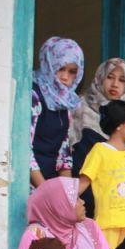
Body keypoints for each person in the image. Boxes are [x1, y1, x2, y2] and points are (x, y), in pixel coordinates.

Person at [70, 58, 125, 218]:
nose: (115, 84)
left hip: (121, 209)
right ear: (100, 78)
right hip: (87, 202)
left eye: (122, 80)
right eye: (109, 77)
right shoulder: (79, 109)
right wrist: (68, 200)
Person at [79, 100, 125, 249]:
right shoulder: (99, 150)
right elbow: (83, 183)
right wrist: (66, 201)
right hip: (108, 222)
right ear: (120, 125)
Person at [31, 36, 85, 188]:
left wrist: (66, 195)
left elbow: (64, 153)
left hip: (50, 183)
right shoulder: (34, 95)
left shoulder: (65, 102)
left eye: (72, 71)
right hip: (28, 183)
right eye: (60, 68)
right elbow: (25, 150)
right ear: (48, 64)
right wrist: (45, 191)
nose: (65, 77)